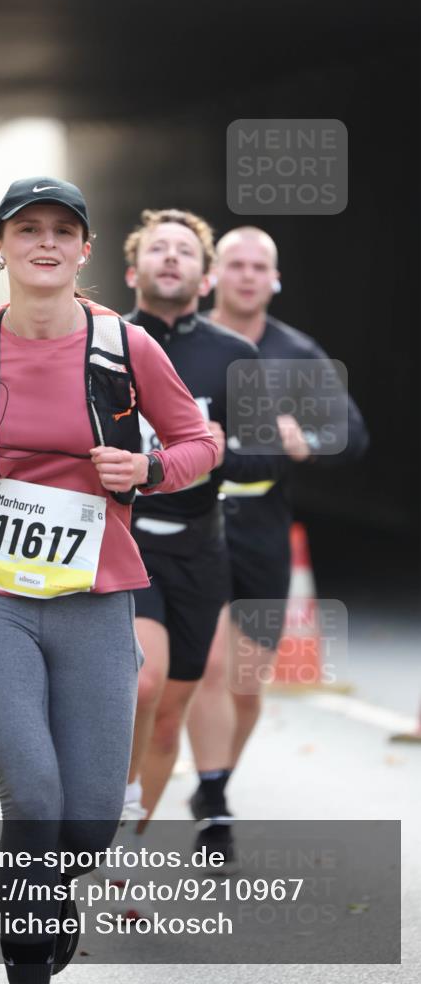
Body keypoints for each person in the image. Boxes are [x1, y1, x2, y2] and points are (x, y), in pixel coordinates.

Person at [0, 178, 219, 982]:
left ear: (85, 251)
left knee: (90, 816)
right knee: (33, 797)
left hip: (96, 598)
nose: (44, 243)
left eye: (61, 231)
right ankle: (26, 957)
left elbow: (200, 444)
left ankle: (47, 895)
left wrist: (145, 466)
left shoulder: (125, 348)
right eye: (25, 229)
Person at [186, 226, 369, 827]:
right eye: (234, 264)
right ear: (212, 276)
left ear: (275, 278)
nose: (245, 275)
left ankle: (215, 781)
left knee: (244, 682)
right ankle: (214, 800)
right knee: (208, 667)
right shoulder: (183, 343)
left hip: (261, 526)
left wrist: (306, 441)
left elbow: (353, 434)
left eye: (257, 267)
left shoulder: (297, 352)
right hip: (191, 522)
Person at [119, 210, 288, 835]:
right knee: (143, 684)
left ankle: (128, 852)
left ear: (206, 277)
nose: (171, 258)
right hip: (124, 545)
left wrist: (217, 444)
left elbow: (266, 455)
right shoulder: (105, 345)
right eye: (157, 249)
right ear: (133, 270)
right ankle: (105, 818)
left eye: (184, 251)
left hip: (201, 550)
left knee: (169, 714)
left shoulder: (233, 355)